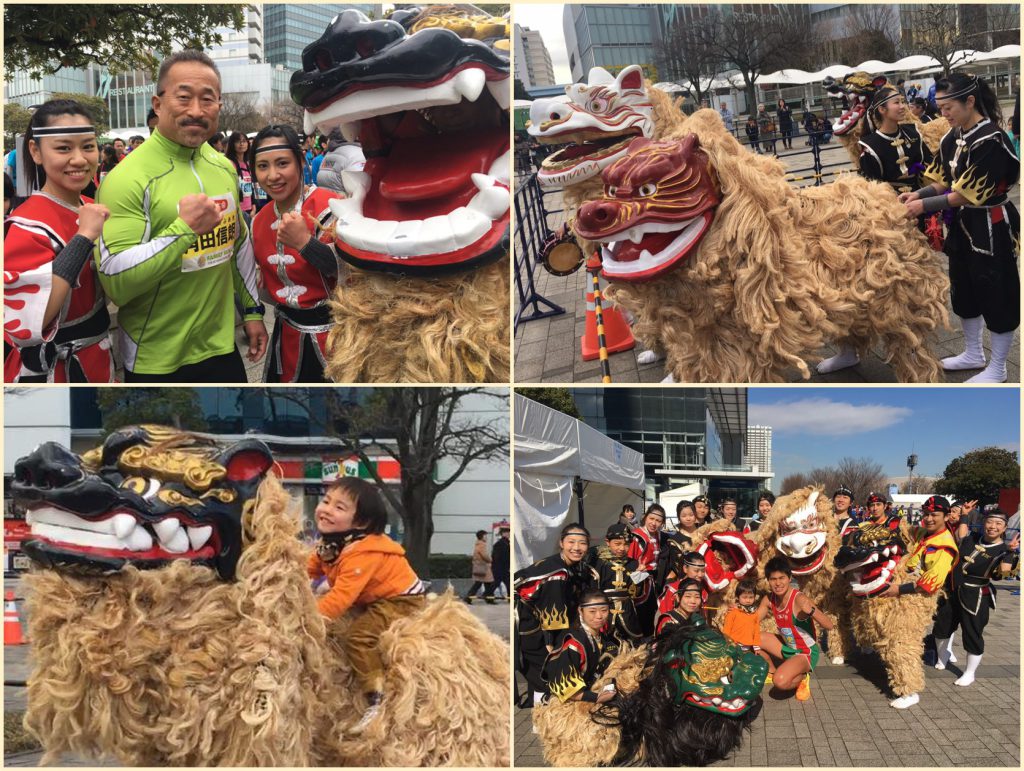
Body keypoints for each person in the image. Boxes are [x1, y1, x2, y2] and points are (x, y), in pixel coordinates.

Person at [95, 50, 266, 382]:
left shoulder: (222, 166)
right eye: (184, 98)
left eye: (207, 100)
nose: (196, 111)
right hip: (156, 357)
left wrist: (253, 310)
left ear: (219, 104)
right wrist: (183, 231)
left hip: (220, 347)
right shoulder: (125, 178)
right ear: (158, 104)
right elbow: (115, 282)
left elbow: (238, 244)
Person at [901, 73, 1019, 383]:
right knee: (964, 287)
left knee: (997, 291)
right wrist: (918, 194)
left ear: (970, 101)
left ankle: (999, 367)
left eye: (948, 106)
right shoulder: (950, 137)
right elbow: (943, 181)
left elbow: (967, 193)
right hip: (963, 224)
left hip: (990, 224)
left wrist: (922, 207)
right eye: (939, 107)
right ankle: (973, 352)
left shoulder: (992, 138)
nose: (943, 114)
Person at [4, 99, 114, 382]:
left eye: (88, 146)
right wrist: (84, 237)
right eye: (64, 148)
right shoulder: (25, 225)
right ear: (35, 151)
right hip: (55, 371)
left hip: (99, 353)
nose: (79, 159)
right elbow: (33, 320)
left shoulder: (92, 205)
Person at [306, 477, 426, 733]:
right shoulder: (332, 543)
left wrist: (307, 621)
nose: (327, 509)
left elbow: (340, 599)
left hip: (400, 599)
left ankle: (375, 695)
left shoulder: (362, 553)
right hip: (373, 596)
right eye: (326, 501)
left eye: (339, 507)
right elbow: (308, 568)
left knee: (359, 636)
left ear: (360, 523)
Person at [249, 125, 341, 383]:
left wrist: (305, 244)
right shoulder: (259, 221)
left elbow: (352, 272)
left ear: (301, 161)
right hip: (286, 334)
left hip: (337, 337)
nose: (273, 175)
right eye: (263, 166)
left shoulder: (332, 205)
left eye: (282, 163)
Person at [933, 506, 1017, 686]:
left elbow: (1005, 571)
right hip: (952, 589)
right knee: (941, 628)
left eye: (998, 523)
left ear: (1004, 527)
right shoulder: (972, 538)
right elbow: (961, 535)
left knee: (972, 633)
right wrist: (964, 515)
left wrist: (1010, 552)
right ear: (984, 523)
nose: (993, 526)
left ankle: (970, 672)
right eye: (990, 522)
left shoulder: (1004, 549)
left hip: (976, 595)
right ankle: (943, 656)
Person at [514, 523, 592, 706]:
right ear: (561, 543)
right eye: (571, 542)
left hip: (532, 620)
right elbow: (553, 614)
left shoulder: (562, 564)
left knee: (538, 675)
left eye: (582, 543)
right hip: (529, 626)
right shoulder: (558, 572)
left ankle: (536, 714)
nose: (577, 547)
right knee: (547, 675)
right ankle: (545, 719)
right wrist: (552, 645)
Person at [758, 556, 833, 701]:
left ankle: (803, 677)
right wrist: (737, 612)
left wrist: (812, 611)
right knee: (753, 636)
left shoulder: (799, 599)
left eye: (782, 578)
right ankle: (773, 670)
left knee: (780, 682)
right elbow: (752, 621)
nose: (778, 583)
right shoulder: (769, 599)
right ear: (768, 580)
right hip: (788, 646)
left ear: (789, 578)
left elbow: (829, 625)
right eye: (773, 579)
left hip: (805, 652)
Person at [541, 591, 618, 704]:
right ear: (580, 611)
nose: (599, 616)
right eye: (592, 611)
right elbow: (565, 687)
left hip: (595, 692)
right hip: (568, 703)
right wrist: (595, 697)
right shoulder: (573, 643)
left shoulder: (604, 638)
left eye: (604, 610)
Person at [588, 523, 645, 645]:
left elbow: (637, 593)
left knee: (632, 642)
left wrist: (640, 576)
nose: (622, 548)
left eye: (626, 544)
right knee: (605, 642)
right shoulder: (598, 563)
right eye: (617, 544)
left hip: (627, 610)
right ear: (607, 542)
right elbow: (592, 590)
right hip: (604, 609)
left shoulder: (633, 563)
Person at [628, 505, 667, 636]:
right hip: (638, 580)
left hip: (652, 580)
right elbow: (629, 559)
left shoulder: (659, 536)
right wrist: (635, 567)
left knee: (651, 611)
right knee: (640, 612)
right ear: (645, 517)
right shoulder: (637, 536)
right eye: (651, 518)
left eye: (658, 521)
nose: (654, 523)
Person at [656, 551, 707, 629]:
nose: (700, 575)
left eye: (703, 571)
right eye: (696, 571)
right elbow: (665, 615)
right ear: (685, 569)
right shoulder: (673, 589)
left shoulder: (703, 591)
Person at [722, 580, 767, 663]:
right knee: (732, 663)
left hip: (747, 646)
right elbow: (726, 629)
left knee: (744, 664)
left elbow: (756, 630)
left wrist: (756, 646)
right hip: (735, 645)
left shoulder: (754, 613)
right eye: (744, 597)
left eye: (751, 597)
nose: (748, 600)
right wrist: (728, 643)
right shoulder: (733, 612)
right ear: (738, 597)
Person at [658, 499, 698, 585]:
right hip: (683, 579)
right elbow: (673, 564)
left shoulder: (704, 534)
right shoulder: (674, 539)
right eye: (684, 516)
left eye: (691, 515)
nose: (688, 518)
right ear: (678, 517)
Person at [316, 128, 366, 195]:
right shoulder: (357, 154)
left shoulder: (328, 155)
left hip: (326, 202)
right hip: (346, 203)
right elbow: (360, 189)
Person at [224, 131, 254, 225]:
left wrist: (253, 205)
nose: (241, 144)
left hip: (250, 208)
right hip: (236, 210)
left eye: (244, 141)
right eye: (238, 141)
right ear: (232, 144)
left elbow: (251, 187)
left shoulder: (248, 163)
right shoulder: (229, 163)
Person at [464, 529, 495, 604]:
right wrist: (490, 559)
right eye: (485, 536)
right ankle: (469, 597)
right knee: (485, 583)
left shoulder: (478, 544)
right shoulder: (482, 544)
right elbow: (484, 555)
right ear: (482, 537)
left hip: (481, 566)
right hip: (484, 567)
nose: (486, 537)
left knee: (484, 583)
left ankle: (488, 599)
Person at [490, 525, 510, 599]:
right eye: (507, 532)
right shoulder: (500, 544)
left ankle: (510, 598)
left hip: (504, 568)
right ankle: (488, 596)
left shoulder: (507, 543)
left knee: (509, 584)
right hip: (499, 568)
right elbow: (497, 557)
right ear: (503, 534)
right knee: (495, 583)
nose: (509, 534)